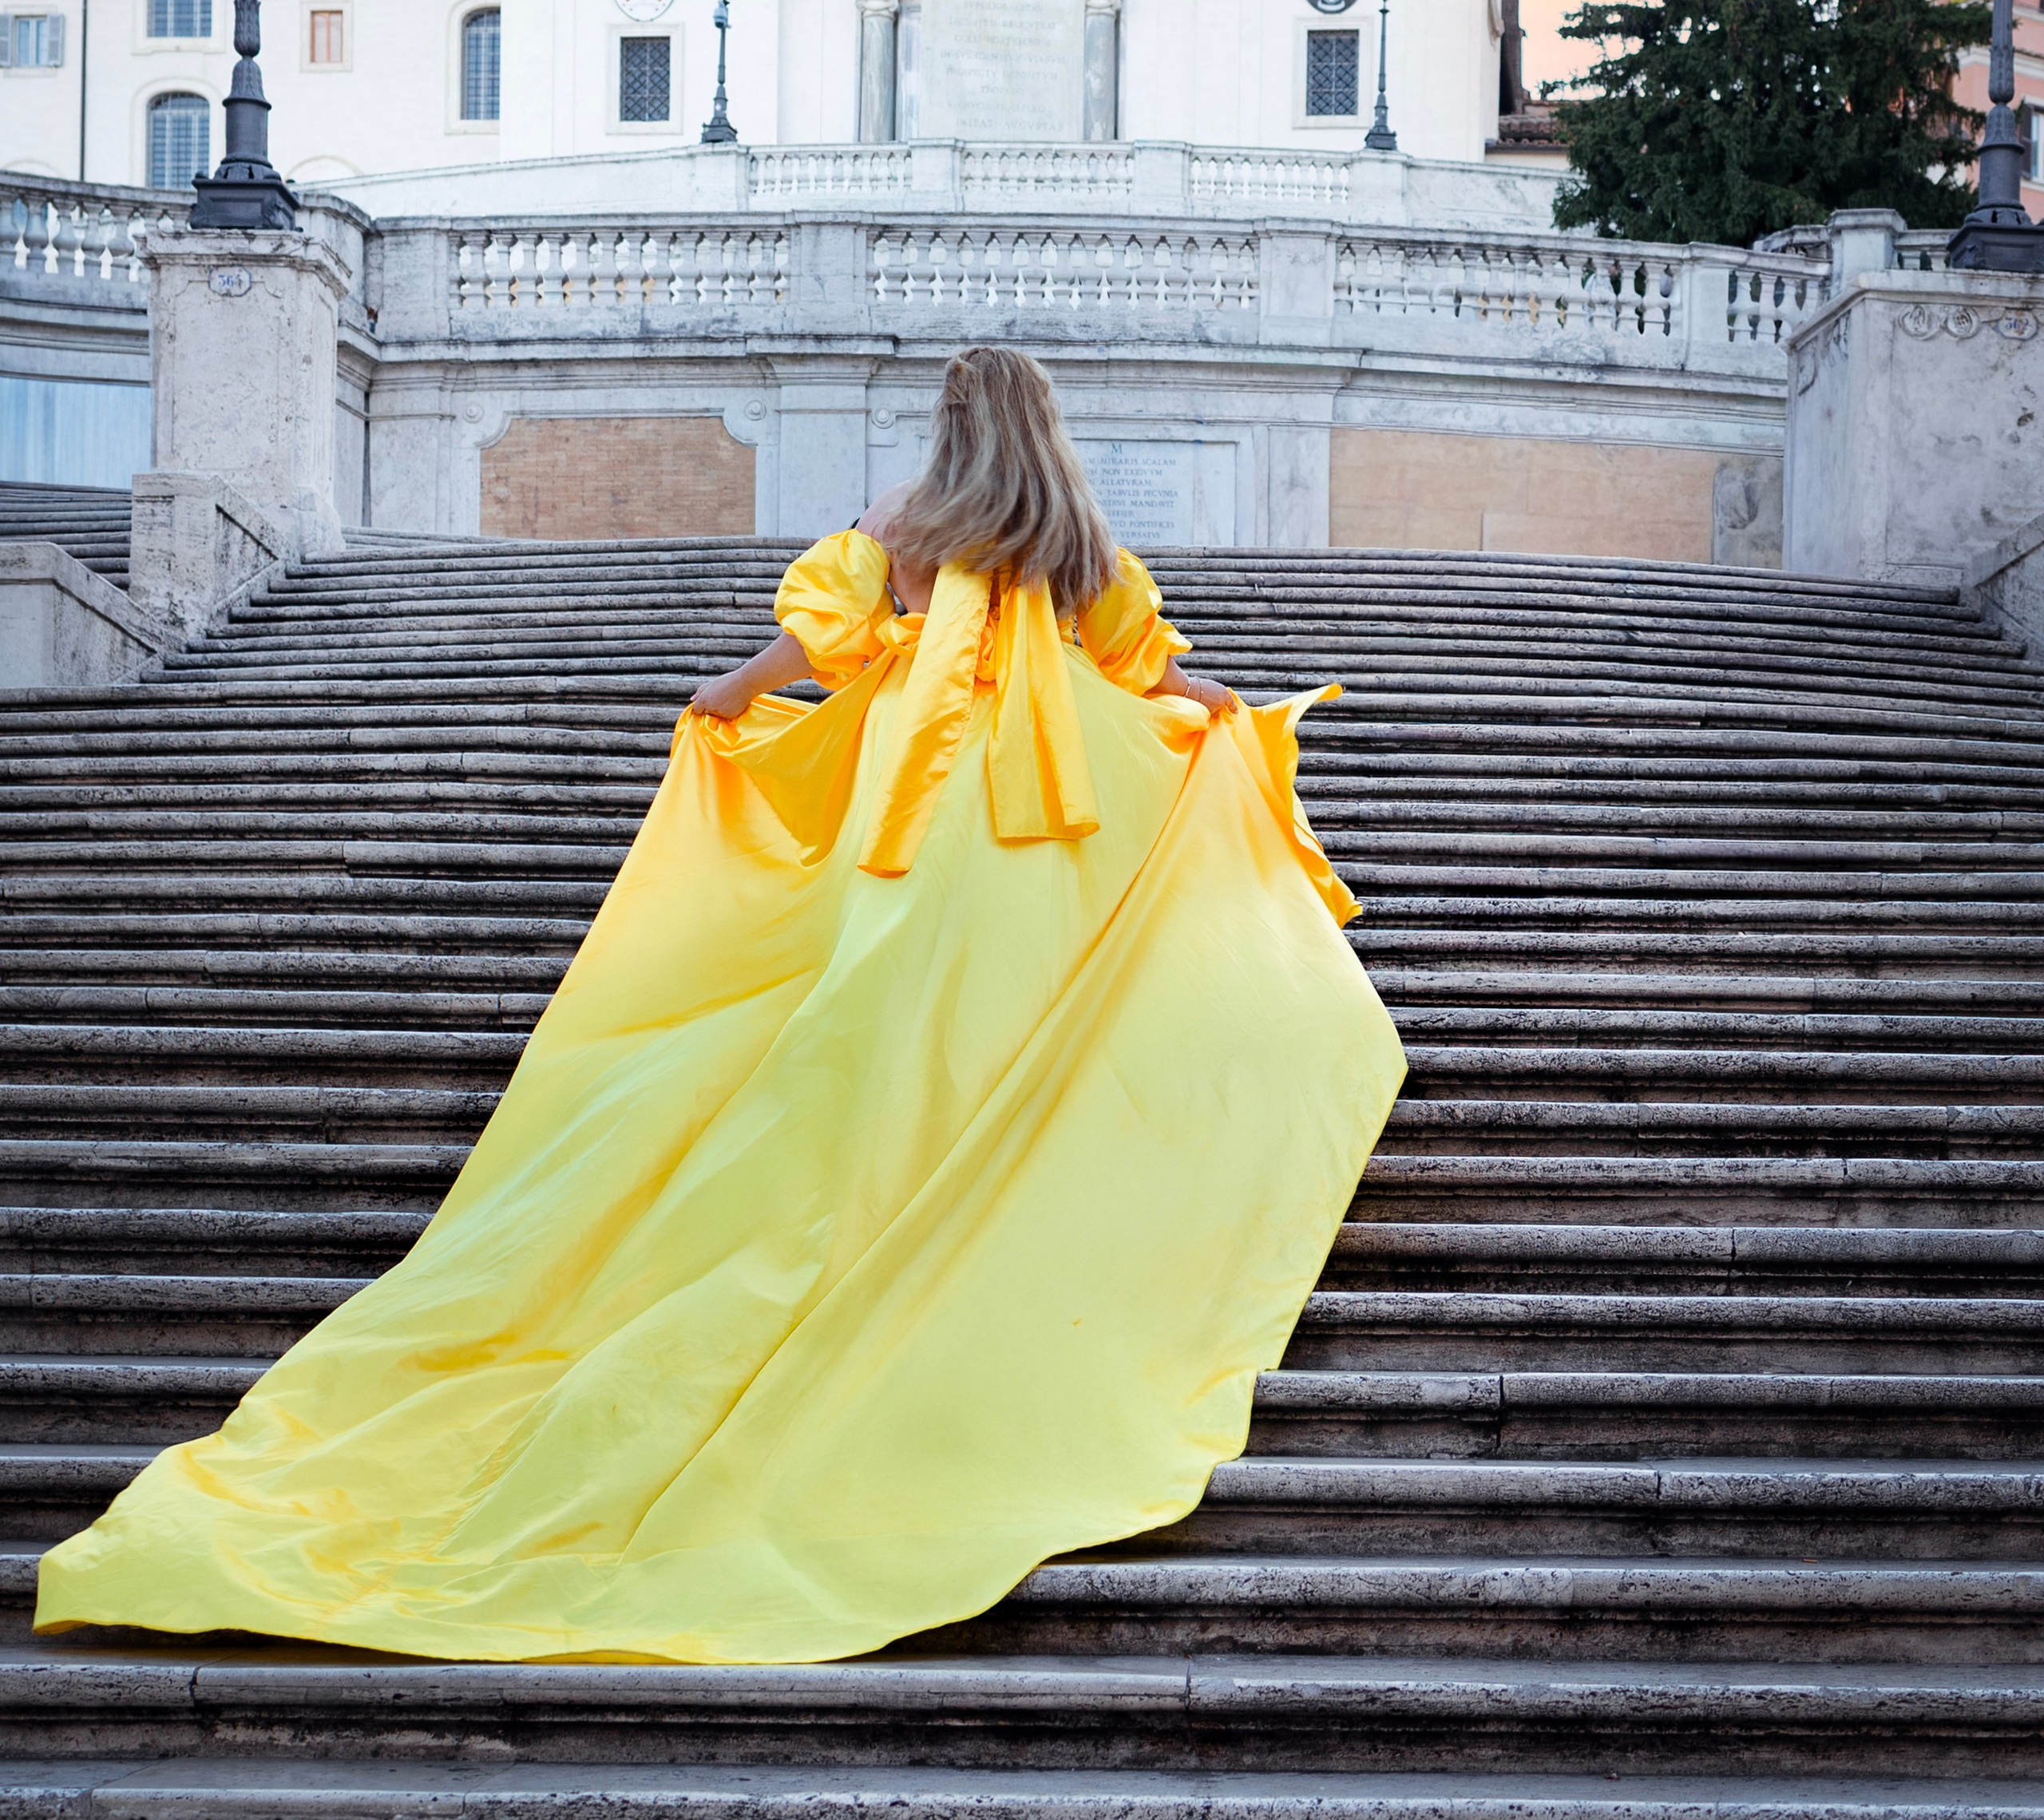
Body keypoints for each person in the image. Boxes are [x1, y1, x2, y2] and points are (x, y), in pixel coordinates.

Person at [37, 346, 1405, 1666]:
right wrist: (1241, 716)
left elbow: (815, 646)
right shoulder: (1078, 543)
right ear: (1045, 427)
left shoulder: (909, 520)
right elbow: (1148, 675)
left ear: (951, 424)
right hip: (1047, 830)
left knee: (875, 1012)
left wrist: (725, 695)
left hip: (917, 813)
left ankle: (868, 1189)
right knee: (1007, 1021)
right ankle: (972, 1187)